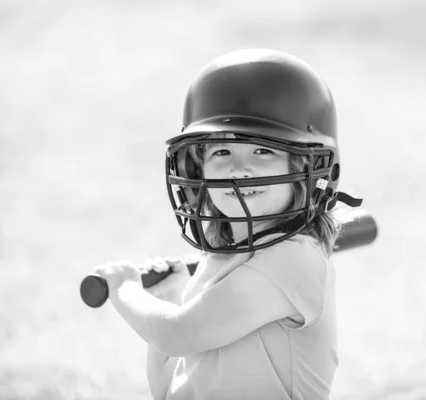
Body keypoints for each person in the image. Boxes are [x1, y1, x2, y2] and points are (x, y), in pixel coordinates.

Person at [93, 48, 362, 400]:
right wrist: (172, 294)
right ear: (195, 170)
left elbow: (178, 334)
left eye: (263, 151)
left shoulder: (292, 260)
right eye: (221, 152)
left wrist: (125, 288)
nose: (239, 168)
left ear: (305, 168)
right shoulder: (217, 265)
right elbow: (171, 390)